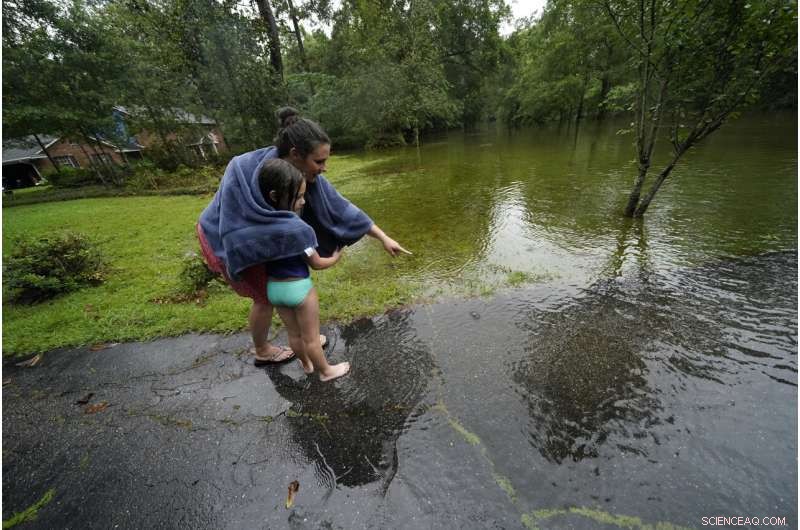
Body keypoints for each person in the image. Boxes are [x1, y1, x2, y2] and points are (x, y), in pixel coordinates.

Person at [197, 107, 410, 365]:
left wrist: (383, 237)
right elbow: (232, 223)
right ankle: (263, 349)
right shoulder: (244, 168)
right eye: (319, 162)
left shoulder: (305, 177)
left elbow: (342, 208)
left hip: (262, 244)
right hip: (227, 237)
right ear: (295, 154)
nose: (325, 168)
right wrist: (329, 254)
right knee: (264, 298)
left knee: (277, 291)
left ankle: (303, 340)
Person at [258, 158, 350, 381]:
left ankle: (306, 365)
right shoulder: (299, 229)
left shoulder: (257, 225)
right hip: (299, 288)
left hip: (274, 289)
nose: (302, 202)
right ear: (274, 195)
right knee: (311, 337)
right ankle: (326, 371)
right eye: (298, 196)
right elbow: (317, 263)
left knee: (294, 334)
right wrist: (336, 257)